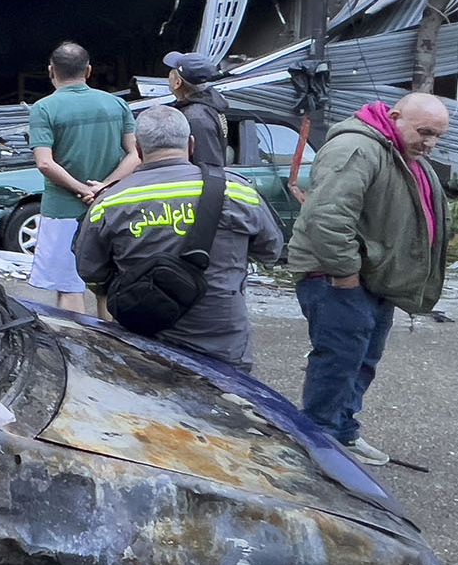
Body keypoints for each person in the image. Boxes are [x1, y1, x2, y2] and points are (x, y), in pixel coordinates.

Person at [287, 92, 451, 466]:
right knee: (339, 358)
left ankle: (342, 431)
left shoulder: (401, 152)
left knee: (362, 359)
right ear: (395, 117)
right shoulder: (356, 149)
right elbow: (327, 217)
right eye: (425, 132)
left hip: (372, 277)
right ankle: (318, 446)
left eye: (438, 136)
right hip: (334, 277)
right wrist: (345, 274)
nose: (431, 143)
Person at [76, 106, 282, 371]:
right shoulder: (237, 192)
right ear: (191, 144)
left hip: (144, 341)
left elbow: (90, 271)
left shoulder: (110, 202)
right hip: (222, 342)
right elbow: (271, 251)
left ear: (138, 150)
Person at [28, 42, 140, 314]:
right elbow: (136, 154)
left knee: (69, 288)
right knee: (106, 287)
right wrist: (104, 187)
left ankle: (76, 349)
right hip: (111, 208)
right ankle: (112, 350)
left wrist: (80, 189)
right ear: (88, 71)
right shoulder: (116, 104)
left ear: (51, 71)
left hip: (63, 211)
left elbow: (44, 163)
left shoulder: (44, 109)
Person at [162, 51, 230, 169]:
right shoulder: (208, 106)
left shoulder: (196, 118)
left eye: (172, 72)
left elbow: (207, 166)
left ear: (178, 83)